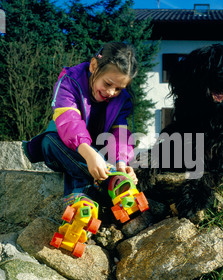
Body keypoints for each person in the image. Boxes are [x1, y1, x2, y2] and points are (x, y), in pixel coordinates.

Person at [23, 42, 138, 206]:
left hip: (99, 156)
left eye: (118, 88)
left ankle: (83, 200)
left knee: (85, 168)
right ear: (93, 66)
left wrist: (121, 163)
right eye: (107, 84)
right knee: (49, 141)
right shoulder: (69, 82)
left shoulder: (121, 100)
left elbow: (119, 134)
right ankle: (111, 182)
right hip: (63, 148)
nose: (111, 92)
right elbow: (69, 121)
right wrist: (90, 154)